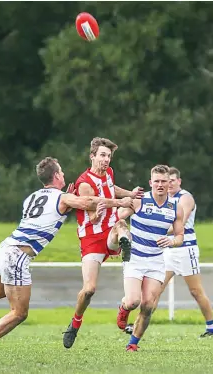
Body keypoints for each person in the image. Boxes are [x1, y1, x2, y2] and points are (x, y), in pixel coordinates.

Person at [0, 157, 134, 356]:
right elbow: (87, 202)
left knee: (0, 290)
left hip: (5, 247)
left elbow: (55, 210)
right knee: (19, 313)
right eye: (61, 172)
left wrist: (69, 199)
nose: (64, 175)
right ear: (56, 176)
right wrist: (118, 202)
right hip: (18, 254)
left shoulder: (32, 197)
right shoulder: (61, 197)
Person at [63, 137, 144, 349]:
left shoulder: (108, 173)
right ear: (92, 156)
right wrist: (119, 203)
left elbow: (111, 188)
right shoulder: (84, 184)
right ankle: (75, 323)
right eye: (102, 155)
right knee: (89, 290)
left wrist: (130, 194)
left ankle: (127, 244)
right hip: (92, 238)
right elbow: (92, 216)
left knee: (125, 217)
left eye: (108, 156)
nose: (106, 160)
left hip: (111, 230)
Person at [115, 164, 184, 351]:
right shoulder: (139, 201)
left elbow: (180, 237)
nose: (160, 185)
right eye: (156, 181)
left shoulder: (175, 208)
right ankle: (123, 308)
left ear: (169, 183)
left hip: (155, 261)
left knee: (148, 306)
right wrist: (123, 216)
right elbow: (119, 217)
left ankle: (132, 344)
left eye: (164, 181)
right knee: (133, 301)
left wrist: (171, 242)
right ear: (150, 182)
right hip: (134, 258)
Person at [155, 166, 213, 338]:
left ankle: (211, 328)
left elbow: (179, 224)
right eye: (168, 181)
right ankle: (138, 325)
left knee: (196, 291)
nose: (169, 184)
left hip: (185, 249)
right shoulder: (164, 199)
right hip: (168, 249)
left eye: (173, 181)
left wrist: (154, 229)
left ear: (178, 181)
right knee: (156, 289)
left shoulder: (186, 198)